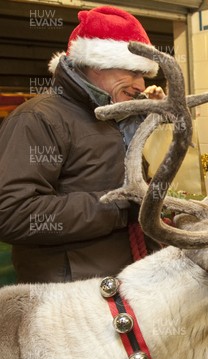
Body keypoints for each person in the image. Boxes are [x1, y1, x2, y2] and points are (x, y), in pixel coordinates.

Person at [0, 6, 164, 283]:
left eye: (143, 74)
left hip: (123, 282)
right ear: (94, 63)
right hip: (69, 298)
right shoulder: (39, 119)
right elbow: (12, 213)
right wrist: (119, 206)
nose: (140, 84)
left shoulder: (119, 117)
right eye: (131, 71)